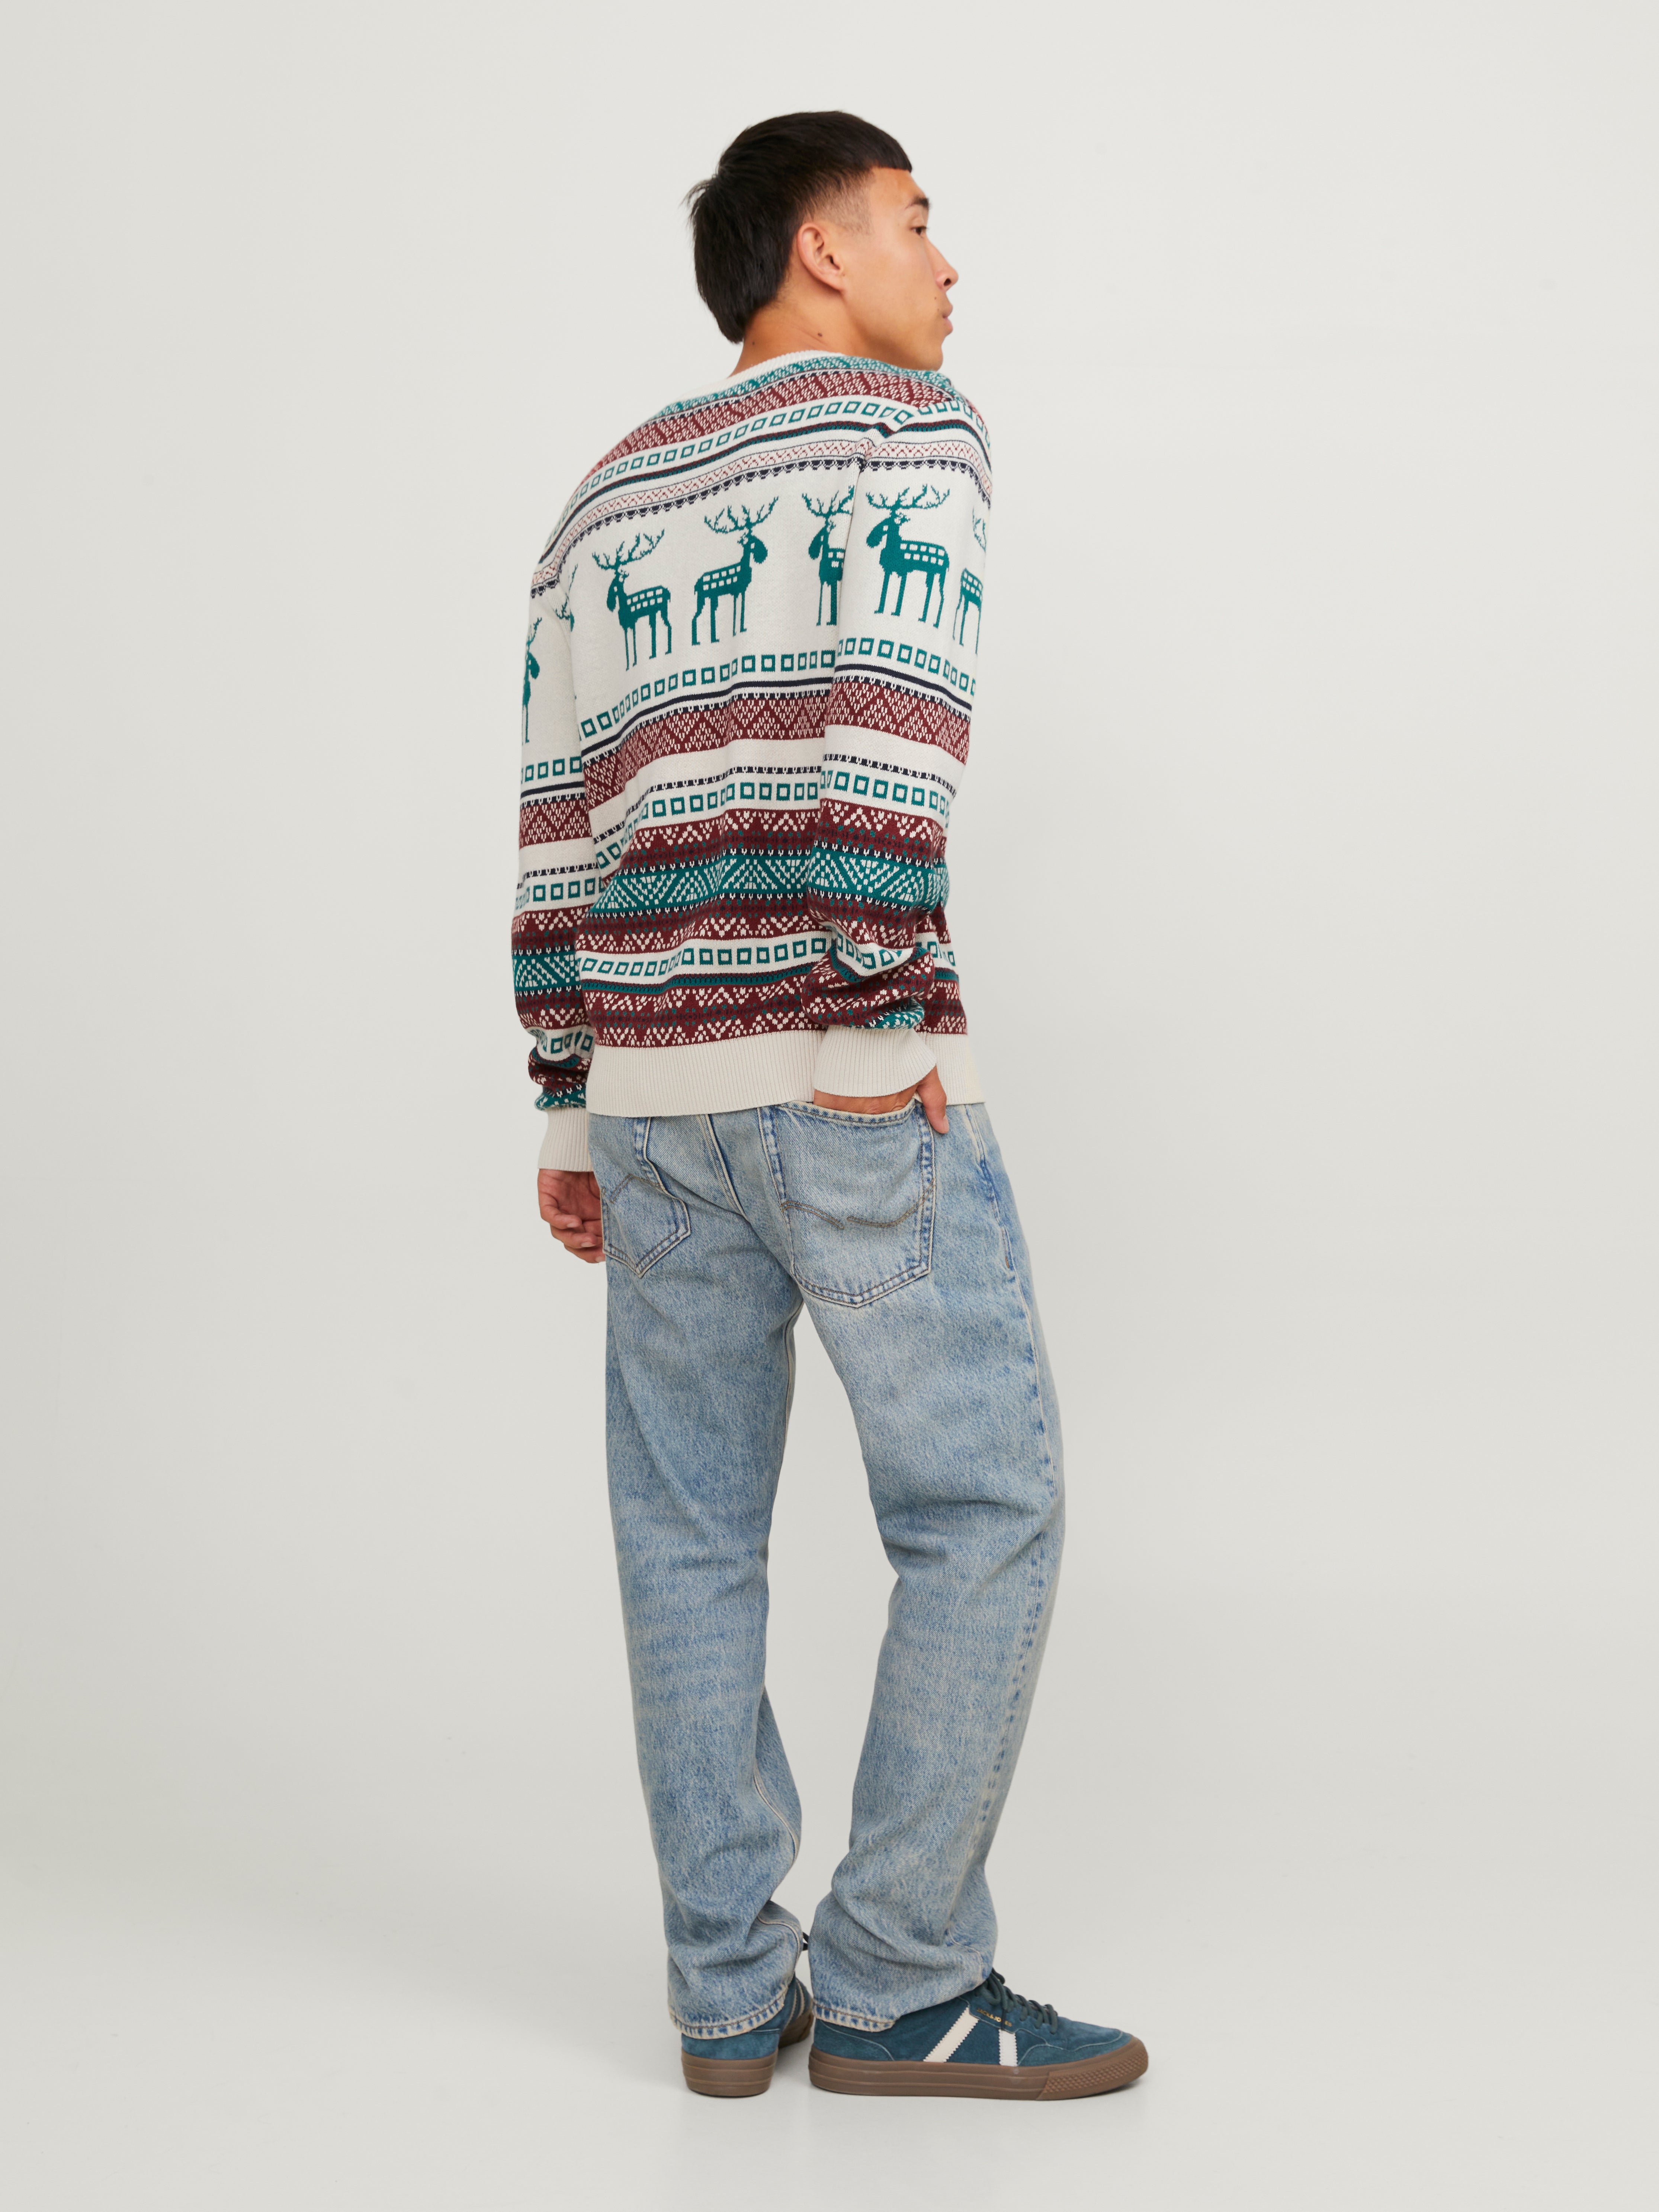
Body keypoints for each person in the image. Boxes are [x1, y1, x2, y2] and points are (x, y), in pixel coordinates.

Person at [516, 112, 1147, 2103]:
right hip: (837, 1070)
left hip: (651, 1102)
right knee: (983, 1511)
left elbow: (555, 820)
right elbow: (896, 724)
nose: (949, 267)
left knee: (686, 1536)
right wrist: (875, 1025)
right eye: (917, 223)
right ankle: (895, 1981)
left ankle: (726, 1997)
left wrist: (568, 1105)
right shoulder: (908, 435)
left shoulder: (600, 503)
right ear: (820, 250)